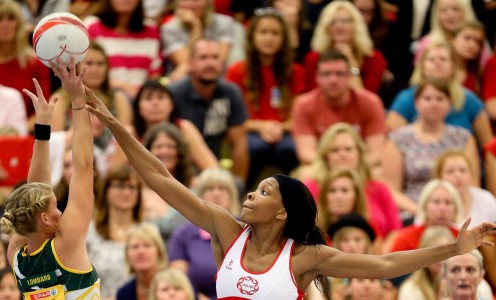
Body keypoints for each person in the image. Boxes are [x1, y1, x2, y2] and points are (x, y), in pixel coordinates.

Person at [84, 84, 496, 299]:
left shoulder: (304, 257)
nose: (249, 196)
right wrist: (118, 127)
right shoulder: (226, 229)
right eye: (255, 189)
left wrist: (453, 249)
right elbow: (160, 179)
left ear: (283, 213)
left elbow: (386, 264)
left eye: (264, 193)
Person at [0, 58, 100, 298]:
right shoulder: (67, 245)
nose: (61, 212)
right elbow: (84, 167)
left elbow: (36, 188)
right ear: (45, 218)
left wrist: (43, 124)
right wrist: (77, 102)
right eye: (56, 206)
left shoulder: (16, 256)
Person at [225, 7, 306, 188]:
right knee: (255, 148)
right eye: (263, 32)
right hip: (249, 131)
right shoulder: (237, 71)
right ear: (252, 36)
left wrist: (279, 127)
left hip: (284, 132)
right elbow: (232, 118)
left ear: (284, 38)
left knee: (291, 149)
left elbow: (297, 116)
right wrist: (261, 126)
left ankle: (293, 200)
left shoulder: (296, 71)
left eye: (275, 33)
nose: (269, 38)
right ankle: (243, 194)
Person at [383, 78, 479, 207]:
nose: (433, 104)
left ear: (449, 103)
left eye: (440, 99)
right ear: (416, 103)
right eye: (427, 99)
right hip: (412, 211)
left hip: (457, 209)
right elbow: (391, 190)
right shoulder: (399, 139)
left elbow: (472, 185)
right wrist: (421, 212)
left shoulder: (464, 138)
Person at [167, 38, 249, 184]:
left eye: (215, 57)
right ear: (191, 64)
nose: (210, 63)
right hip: (180, 171)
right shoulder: (173, 93)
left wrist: (239, 185)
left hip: (212, 170)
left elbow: (239, 144)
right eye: (203, 58)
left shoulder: (231, 93)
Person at [303, 122, 403, 237]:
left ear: (359, 153)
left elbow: (395, 231)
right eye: (335, 150)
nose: (342, 154)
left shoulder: (379, 188)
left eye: (348, 149)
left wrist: (382, 253)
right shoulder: (310, 188)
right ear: (325, 156)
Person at [387, 41, 493, 148]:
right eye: (431, 59)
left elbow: (488, 145)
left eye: (443, 59)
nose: (438, 63)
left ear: (453, 66)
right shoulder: (406, 98)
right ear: (422, 66)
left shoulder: (469, 100)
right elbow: (391, 141)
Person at [292, 49, 387, 168]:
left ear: (349, 76)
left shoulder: (371, 102)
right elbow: (306, 154)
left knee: (378, 172)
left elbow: (376, 154)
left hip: (360, 168)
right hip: (321, 168)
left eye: (339, 74)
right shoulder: (303, 104)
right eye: (326, 74)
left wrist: (350, 169)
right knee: (305, 172)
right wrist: (336, 169)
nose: (333, 80)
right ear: (317, 77)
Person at [168, 167, 240, 300]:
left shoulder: (247, 228)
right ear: (199, 196)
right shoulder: (184, 234)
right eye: (209, 189)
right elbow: (178, 280)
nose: (216, 193)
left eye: (222, 189)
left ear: (232, 195)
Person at [132, 80, 218, 171]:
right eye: (148, 98)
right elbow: (116, 171)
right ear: (138, 106)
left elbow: (213, 169)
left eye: (160, 98)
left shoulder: (184, 128)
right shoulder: (130, 133)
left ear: (171, 105)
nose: (155, 103)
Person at [86, 164, 144, 299]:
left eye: (132, 187)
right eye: (120, 186)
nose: (126, 192)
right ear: (106, 191)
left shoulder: (147, 231)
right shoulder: (90, 232)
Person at [304, 0, 387, 94]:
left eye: (345, 21)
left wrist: (351, 63)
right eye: (332, 22)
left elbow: (366, 100)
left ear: (356, 26)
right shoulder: (313, 59)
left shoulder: (374, 58)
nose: (339, 26)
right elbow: (316, 97)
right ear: (326, 28)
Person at [84, 0, 163, 98]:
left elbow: (155, 74)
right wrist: (123, 87)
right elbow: (84, 71)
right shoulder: (92, 25)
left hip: (142, 102)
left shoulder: (151, 29)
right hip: (104, 98)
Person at [51, 41, 133, 132]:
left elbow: (127, 137)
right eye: (89, 63)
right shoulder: (60, 99)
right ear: (75, 66)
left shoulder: (118, 98)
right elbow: (55, 138)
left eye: (100, 63)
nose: (95, 69)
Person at [0, 0, 50, 124]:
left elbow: (44, 109)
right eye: (0, 19)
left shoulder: (35, 65)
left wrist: (16, 131)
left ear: (20, 24)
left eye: (11, 19)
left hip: (22, 137)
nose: (4, 24)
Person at [160, 0, 235, 81]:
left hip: (216, 80)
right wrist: (196, 26)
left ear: (208, 2)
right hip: (185, 81)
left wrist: (196, 26)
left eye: (196, 0)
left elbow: (219, 60)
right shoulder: (169, 29)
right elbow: (191, 65)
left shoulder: (224, 23)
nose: (190, 4)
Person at [397, 226, 456, 300]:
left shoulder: (461, 284)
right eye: (434, 251)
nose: (440, 257)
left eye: (444, 252)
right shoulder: (410, 289)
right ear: (423, 255)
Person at [116, 222, 168, 300]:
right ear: (127, 255)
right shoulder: (124, 293)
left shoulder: (174, 286)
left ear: (159, 251)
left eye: (147, 245)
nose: (141, 251)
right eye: (135, 247)